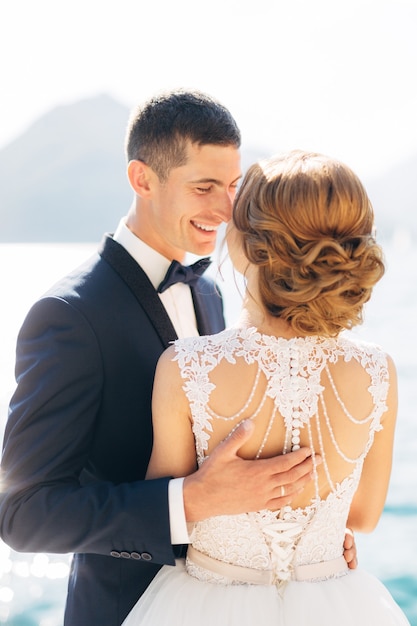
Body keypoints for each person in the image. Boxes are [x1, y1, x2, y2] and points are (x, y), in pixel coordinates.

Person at [0, 91, 336, 626]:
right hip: (122, 609)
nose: (226, 211)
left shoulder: (212, 294)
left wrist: (312, 543)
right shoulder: (68, 316)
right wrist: (188, 502)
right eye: (203, 188)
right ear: (142, 179)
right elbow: (23, 516)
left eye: (231, 187)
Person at [121, 150, 409, 626]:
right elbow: (362, 518)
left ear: (251, 248)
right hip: (338, 601)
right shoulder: (378, 370)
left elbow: (163, 514)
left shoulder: (187, 366)